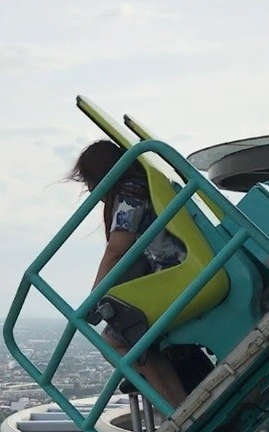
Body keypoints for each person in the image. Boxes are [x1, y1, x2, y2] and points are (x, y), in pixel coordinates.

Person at [70, 139, 188, 410]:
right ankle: (179, 407)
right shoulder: (144, 185)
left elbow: (117, 249)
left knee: (116, 339)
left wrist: (94, 298)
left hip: (175, 274)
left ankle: (177, 409)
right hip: (179, 271)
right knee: (132, 336)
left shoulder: (129, 193)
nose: (90, 190)